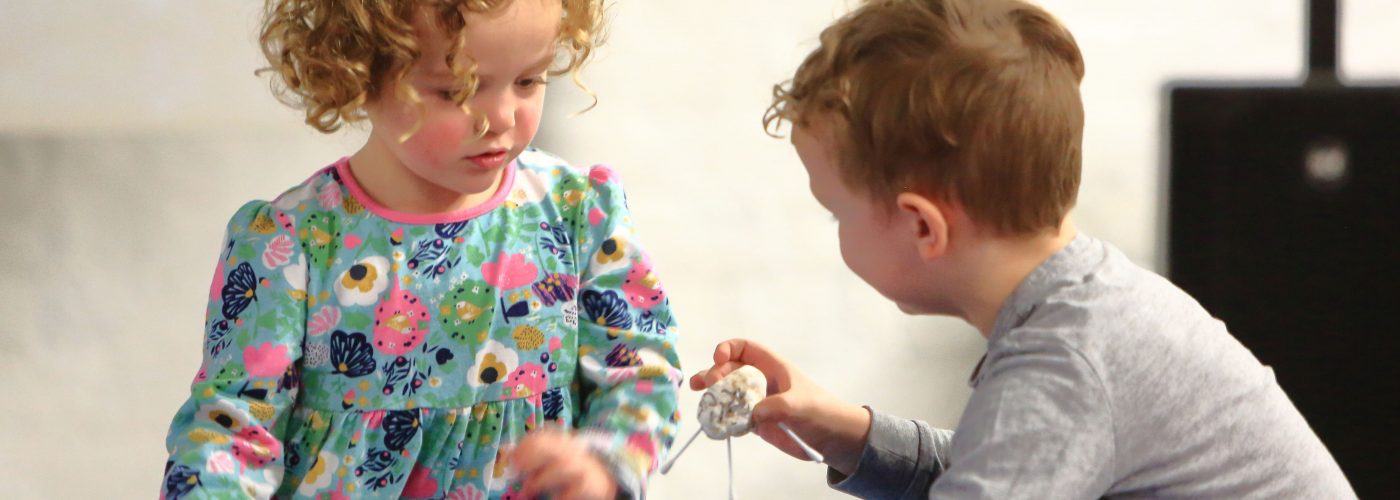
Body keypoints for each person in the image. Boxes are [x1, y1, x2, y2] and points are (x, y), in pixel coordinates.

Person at [690, 0, 1355, 497]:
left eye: (835, 212)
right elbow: (1003, 464)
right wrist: (845, 432)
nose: (835, 229)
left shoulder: (1067, 359)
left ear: (924, 227)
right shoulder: (1085, 309)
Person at [160, 1, 682, 498]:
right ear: (357, 70)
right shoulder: (289, 243)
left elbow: (639, 366)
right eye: (457, 91)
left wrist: (605, 461)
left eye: (528, 80)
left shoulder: (577, 214)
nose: (500, 116)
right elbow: (231, 430)